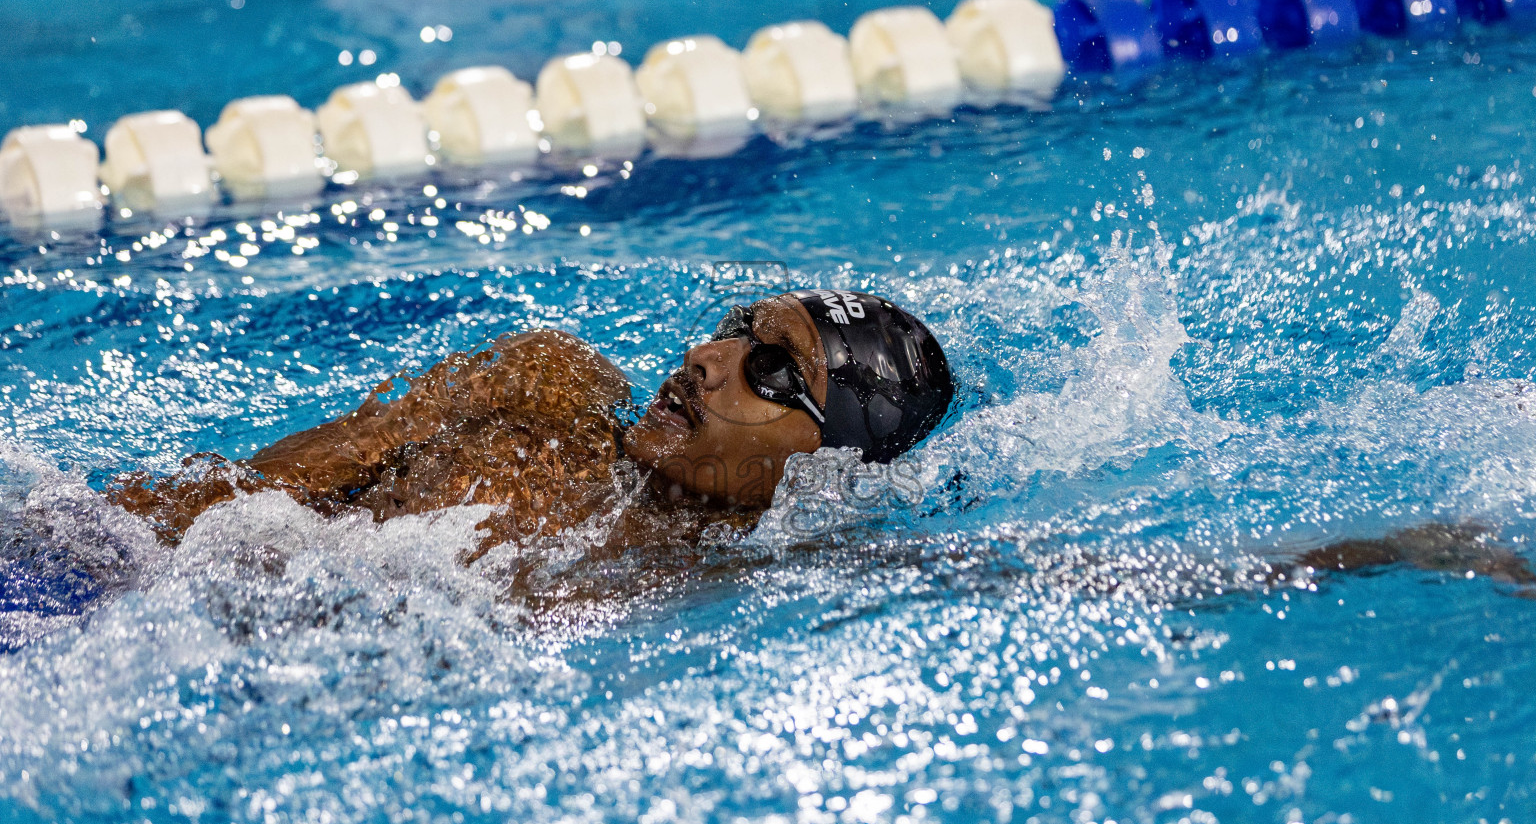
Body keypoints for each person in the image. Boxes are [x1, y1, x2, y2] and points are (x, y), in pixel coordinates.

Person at [108, 289, 956, 560]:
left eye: (770, 368)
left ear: (822, 463)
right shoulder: (546, 386)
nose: (707, 354)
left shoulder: (690, 581)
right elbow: (246, 493)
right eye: (737, 325)